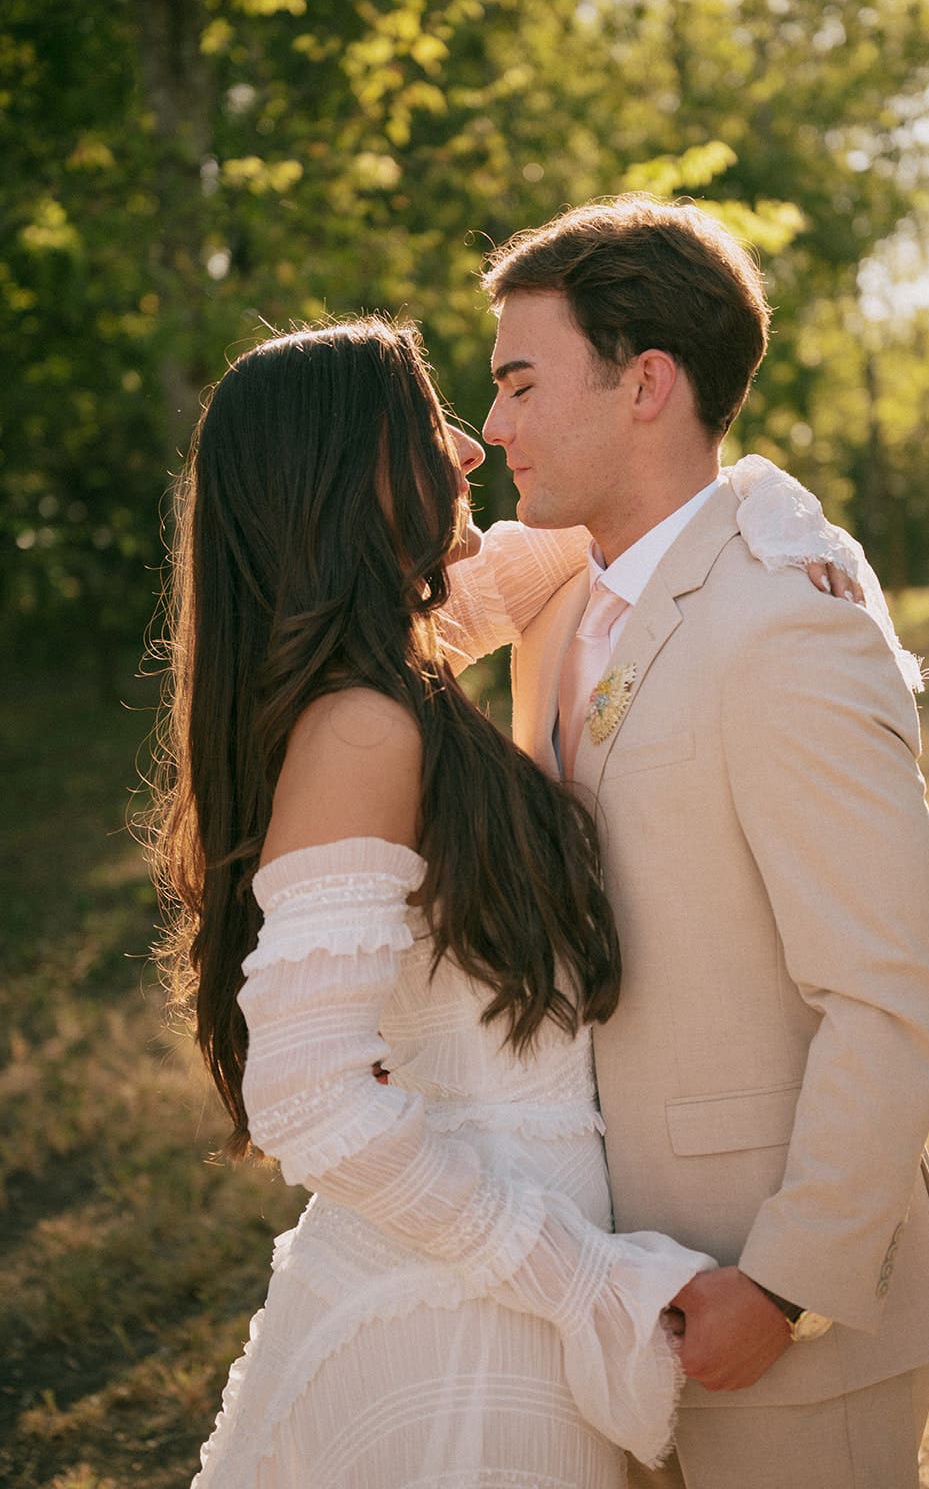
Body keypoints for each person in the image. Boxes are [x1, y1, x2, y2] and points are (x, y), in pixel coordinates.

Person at [149, 316, 861, 1489]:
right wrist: (587, 1277)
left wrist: (784, 523)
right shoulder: (362, 724)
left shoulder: (386, 663)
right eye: (430, 419)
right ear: (354, 467)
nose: (473, 448)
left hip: (495, 1296)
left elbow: (617, 524)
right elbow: (309, 1098)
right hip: (465, 1331)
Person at [439, 194, 929, 1489]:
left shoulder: (789, 619)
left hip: (775, 1312)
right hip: (613, 1291)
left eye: (518, 384)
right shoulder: (563, 577)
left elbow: (889, 995)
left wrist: (786, 1283)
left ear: (646, 383)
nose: (493, 428)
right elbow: (346, 637)